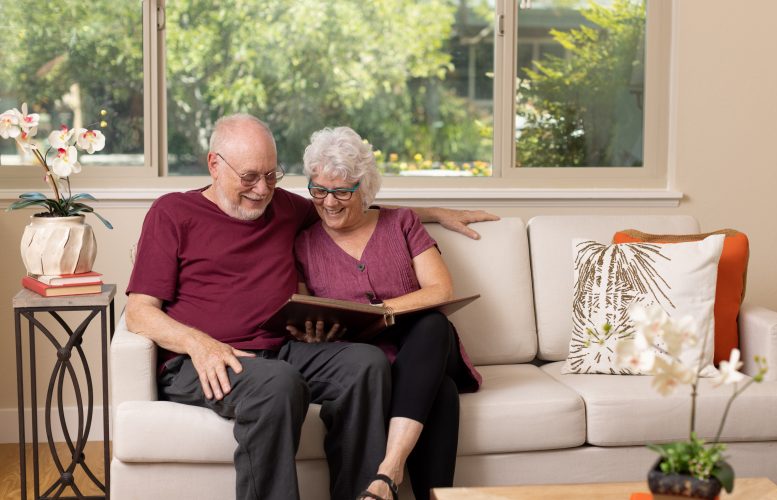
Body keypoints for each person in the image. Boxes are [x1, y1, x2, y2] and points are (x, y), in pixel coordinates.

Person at [124, 113, 497, 500]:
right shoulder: (172, 213)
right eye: (250, 177)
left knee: (365, 363)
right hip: (206, 359)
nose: (261, 189)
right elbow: (139, 311)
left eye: (272, 175)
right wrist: (199, 344)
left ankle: (366, 495)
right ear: (214, 165)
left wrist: (436, 213)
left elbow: (353, 208)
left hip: (280, 349)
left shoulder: (285, 207)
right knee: (278, 384)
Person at [293, 127, 482, 500]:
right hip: (365, 365)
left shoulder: (401, 223)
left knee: (432, 323)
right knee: (440, 393)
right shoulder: (303, 243)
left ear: (365, 189)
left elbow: (441, 290)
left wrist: (381, 311)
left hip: (425, 349)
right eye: (319, 190)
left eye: (342, 192)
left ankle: (388, 469)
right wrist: (312, 331)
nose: (329, 202)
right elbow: (303, 311)